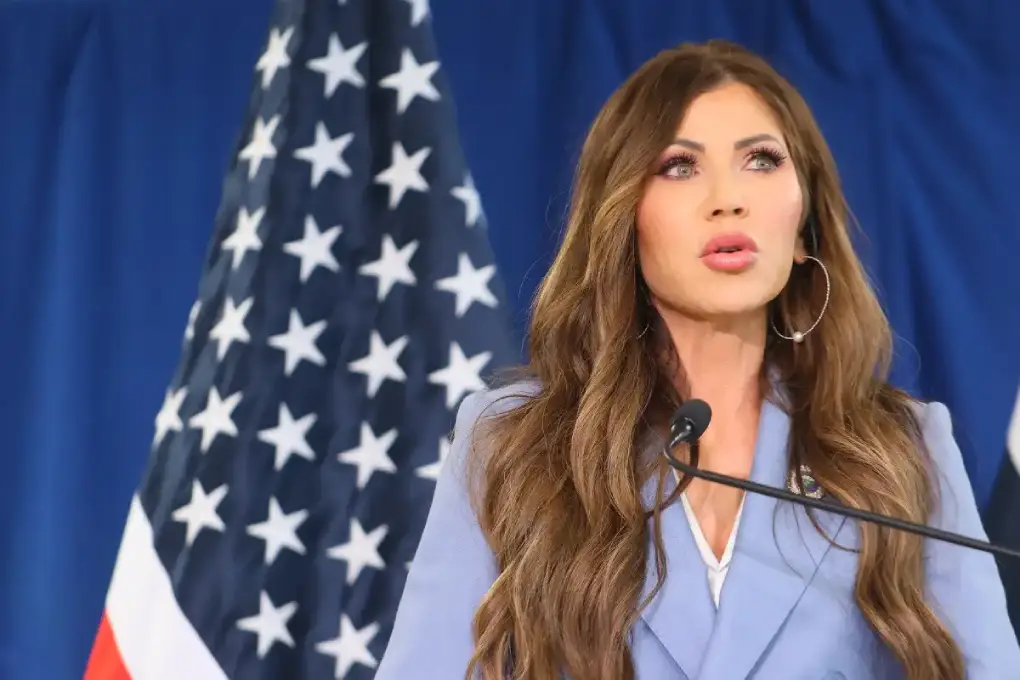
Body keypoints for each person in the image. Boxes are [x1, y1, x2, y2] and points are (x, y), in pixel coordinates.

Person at [374, 40, 1020, 680]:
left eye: (761, 160)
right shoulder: (514, 444)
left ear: (805, 228)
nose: (727, 198)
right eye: (680, 166)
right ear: (623, 220)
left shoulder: (903, 450)